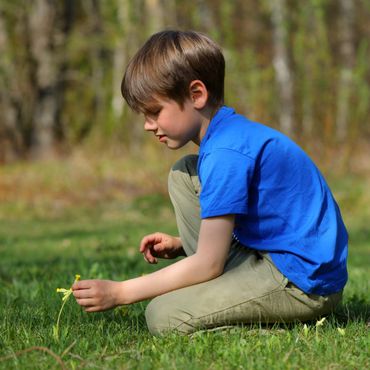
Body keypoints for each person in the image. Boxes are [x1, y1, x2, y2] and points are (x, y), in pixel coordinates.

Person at [72, 30, 348, 335]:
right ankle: (221, 289)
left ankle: (284, 328)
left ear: (196, 95)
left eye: (154, 112)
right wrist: (181, 245)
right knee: (184, 173)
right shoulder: (225, 138)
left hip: (303, 284)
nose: (148, 125)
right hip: (278, 259)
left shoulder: (225, 153)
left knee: (164, 316)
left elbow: (209, 265)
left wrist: (121, 292)